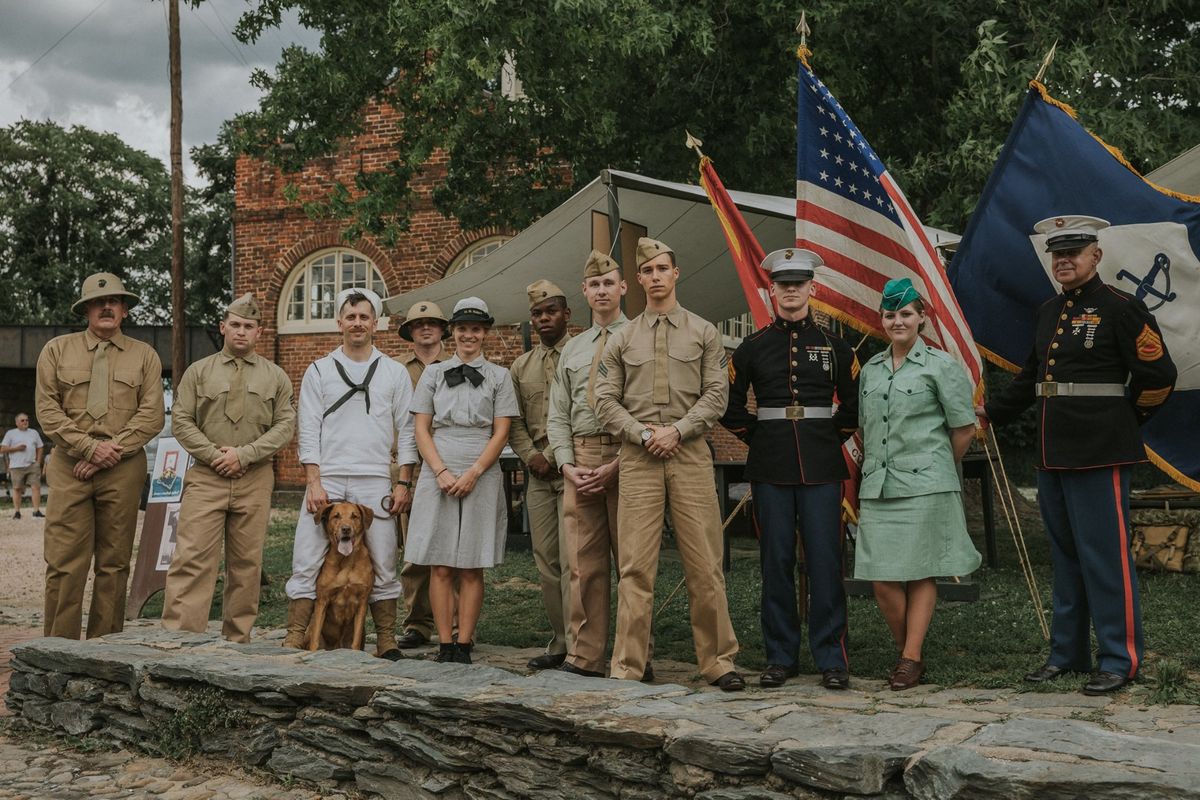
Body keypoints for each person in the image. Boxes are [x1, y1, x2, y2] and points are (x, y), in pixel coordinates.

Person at [978, 215, 1177, 695]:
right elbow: (1032, 377)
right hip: (1054, 447)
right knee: (1065, 556)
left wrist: (1127, 422)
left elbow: (1160, 376)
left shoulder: (1121, 308)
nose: (1063, 260)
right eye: (1057, 253)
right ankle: (1068, 652)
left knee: (1104, 557)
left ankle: (1119, 657)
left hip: (1100, 448)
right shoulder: (1049, 311)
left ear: (1096, 256)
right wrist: (990, 414)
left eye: (1074, 251)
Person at [594, 237, 744, 691]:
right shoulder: (622, 338)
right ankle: (628, 666)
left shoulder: (704, 332)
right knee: (636, 567)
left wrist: (677, 430)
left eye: (663, 268)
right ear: (637, 280)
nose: (656, 276)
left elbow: (717, 395)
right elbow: (603, 400)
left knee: (705, 563)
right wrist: (643, 434)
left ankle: (718, 662)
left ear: (675, 273)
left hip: (691, 456)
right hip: (638, 460)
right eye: (648, 271)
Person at [720, 249, 859, 690]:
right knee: (775, 563)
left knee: (826, 562)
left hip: (822, 467)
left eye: (799, 283)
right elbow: (730, 404)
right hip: (771, 467)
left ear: (812, 289)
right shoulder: (753, 346)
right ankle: (780, 656)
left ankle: (832, 658)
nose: (792, 290)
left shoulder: (835, 348)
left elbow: (855, 403)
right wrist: (757, 438)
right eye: (783, 284)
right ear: (772, 291)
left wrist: (828, 437)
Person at [855, 277, 981, 691]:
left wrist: (937, 465)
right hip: (879, 483)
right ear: (882, 320)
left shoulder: (940, 365)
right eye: (890, 315)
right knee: (881, 577)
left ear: (922, 318)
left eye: (906, 314)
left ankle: (909, 659)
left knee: (922, 571)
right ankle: (908, 651)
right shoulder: (870, 369)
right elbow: (865, 427)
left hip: (926, 482)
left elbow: (963, 427)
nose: (898, 321)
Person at [282, 288, 414, 660]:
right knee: (307, 555)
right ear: (339, 322)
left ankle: (385, 637)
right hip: (330, 475)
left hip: (374, 476)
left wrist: (402, 481)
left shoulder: (394, 372)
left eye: (364, 316)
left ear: (376, 323)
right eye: (351, 317)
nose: (357, 323)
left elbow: (406, 429)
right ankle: (297, 632)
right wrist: (313, 480)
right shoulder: (320, 370)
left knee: (385, 558)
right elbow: (307, 427)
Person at [35, 272, 164, 639]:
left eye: (114, 302)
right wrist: (90, 448)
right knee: (63, 561)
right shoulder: (57, 350)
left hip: (123, 466)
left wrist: (108, 451)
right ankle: (58, 650)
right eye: (97, 302)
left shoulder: (145, 356)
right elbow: (47, 411)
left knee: (114, 562)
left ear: (124, 310)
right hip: (68, 463)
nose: (106, 307)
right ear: (86, 310)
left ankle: (104, 649)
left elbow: (152, 415)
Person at [162, 293, 296, 643]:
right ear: (223, 327)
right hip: (207, 476)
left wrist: (245, 454)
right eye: (235, 325)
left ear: (259, 332)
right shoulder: (198, 372)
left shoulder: (276, 377)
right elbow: (181, 421)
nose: (241, 332)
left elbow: (285, 426)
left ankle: (237, 640)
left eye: (248, 326)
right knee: (192, 558)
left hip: (254, 477)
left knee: (246, 565)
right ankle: (181, 638)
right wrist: (215, 455)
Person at [405, 297, 519, 665]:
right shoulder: (433, 375)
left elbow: (501, 432)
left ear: (484, 333)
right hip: (438, 463)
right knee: (440, 562)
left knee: (471, 563)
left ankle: (465, 643)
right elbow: (420, 426)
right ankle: (444, 643)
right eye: (462, 328)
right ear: (452, 332)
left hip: (480, 466)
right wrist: (439, 470)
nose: (468, 335)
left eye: (476, 329)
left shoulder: (500, 377)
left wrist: (472, 473)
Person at [547, 250, 633, 678]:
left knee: (633, 561)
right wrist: (566, 465)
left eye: (609, 282)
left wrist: (620, 461)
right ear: (585, 292)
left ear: (622, 287)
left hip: (630, 456)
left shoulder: (640, 337)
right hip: (580, 458)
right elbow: (557, 414)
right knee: (583, 563)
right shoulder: (573, 349)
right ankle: (585, 655)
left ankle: (635, 657)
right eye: (594, 284)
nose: (602, 290)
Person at [509, 280, 573, 670]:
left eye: (551, 311)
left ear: (567, 314)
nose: (544, 318)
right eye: (537, 313)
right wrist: (531, 455)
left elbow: (585, 411)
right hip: (537, 476)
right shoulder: (521, 365)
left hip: (571, 469)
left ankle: (585, 643)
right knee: (546, 561)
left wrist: (550, 455)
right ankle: (561, 642)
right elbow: (513, 419)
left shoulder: (582, 354)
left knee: (575, 561)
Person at [392, 300, 451, 649]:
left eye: (432, 323)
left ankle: (457, 622)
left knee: (452, 545)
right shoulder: (396, 369)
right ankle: (417, 622)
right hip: (408, 465)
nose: (425, 328)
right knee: (414, 548)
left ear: (443, 328)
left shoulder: (459, 364)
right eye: (418, 324)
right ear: (410, 332)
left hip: (449, 461)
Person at [2, 413, 45, 519]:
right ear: (17, 423)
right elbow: (2, 449)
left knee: (36, 487)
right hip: (16, 466)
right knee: (17, 489)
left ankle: (36, 511)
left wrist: (38, 462)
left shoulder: (34, 433)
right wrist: (17, 448)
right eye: (22, 420)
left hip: (32, 465)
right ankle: (17, 512)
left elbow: (40, 447)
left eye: (27, 420)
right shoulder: (10, 434)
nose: (25, 422)